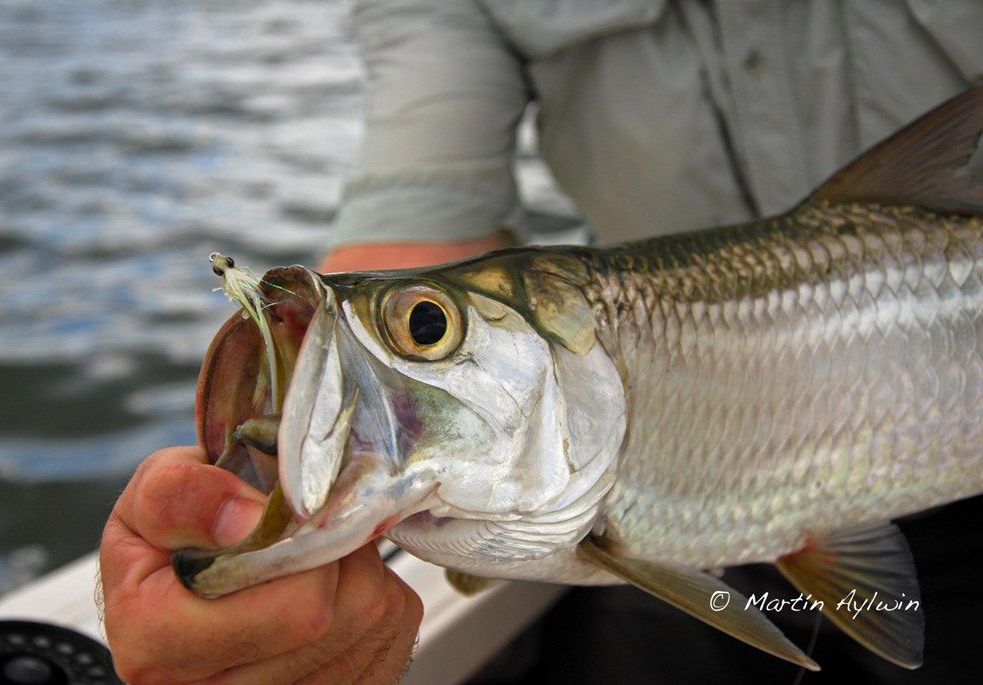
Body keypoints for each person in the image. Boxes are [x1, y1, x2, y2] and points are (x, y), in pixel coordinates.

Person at [99, 1, 983, 683]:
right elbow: (413, 223)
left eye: (428, 329)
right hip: (687, 538)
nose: (421, 334)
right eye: (429, 328)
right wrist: (248, 514)